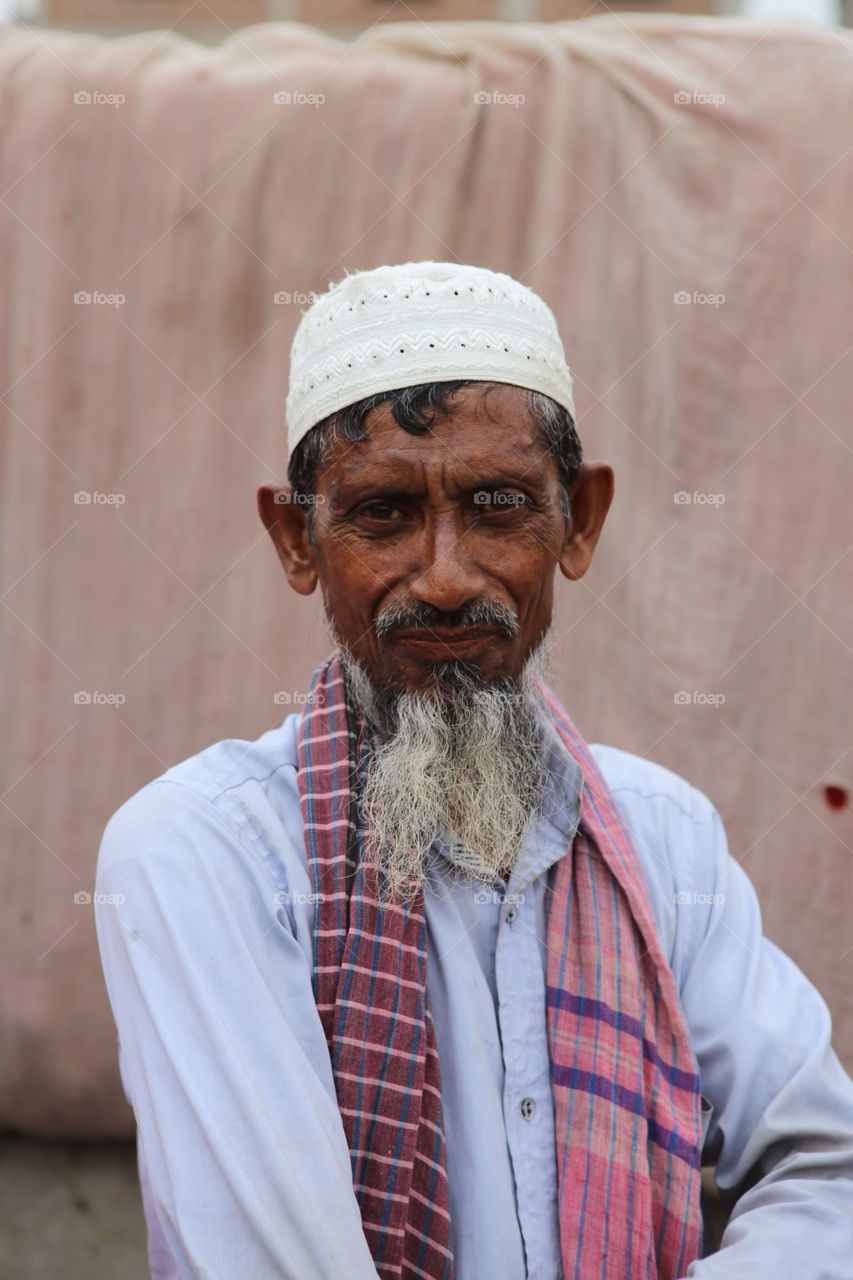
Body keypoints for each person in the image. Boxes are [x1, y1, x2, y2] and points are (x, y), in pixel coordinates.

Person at [95, 262, 853, 1279]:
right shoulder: (208, 852)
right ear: (296, 538)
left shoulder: (660, 837)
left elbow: (824, 1166)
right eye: (383, 513)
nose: (446, 577)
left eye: (497, 507)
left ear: (578, 521)